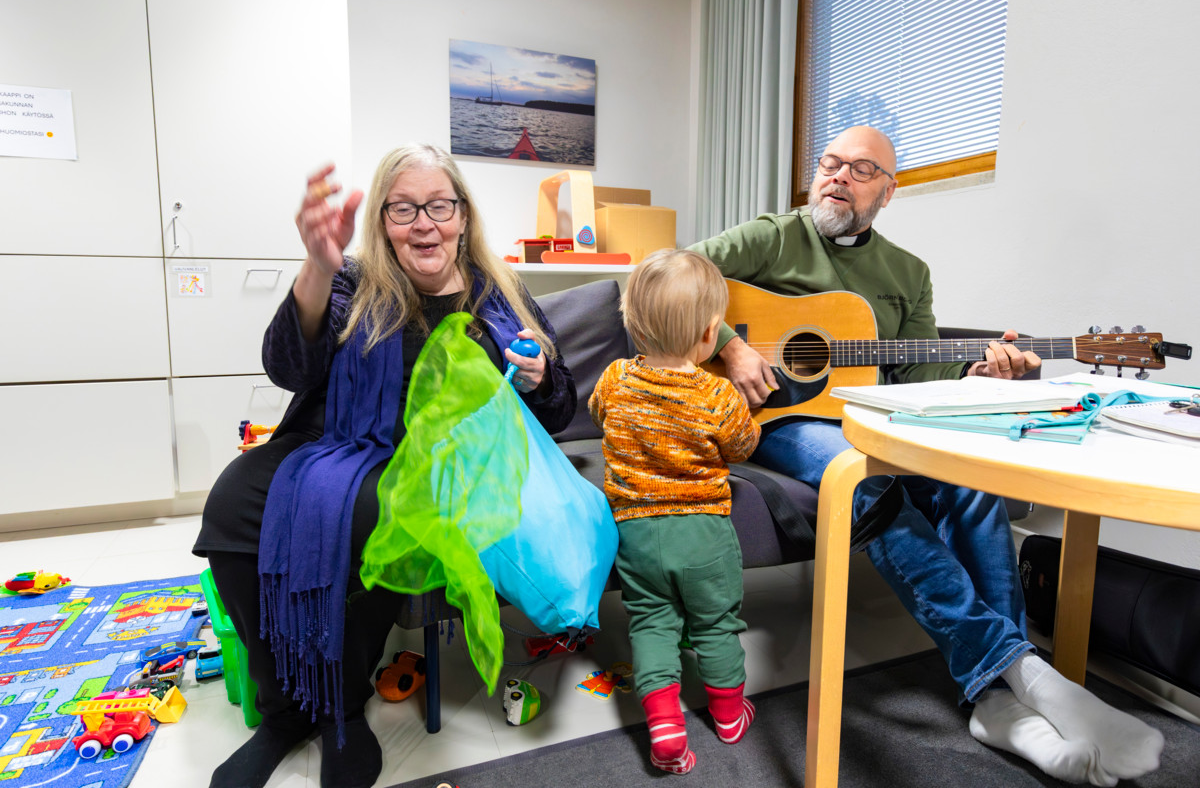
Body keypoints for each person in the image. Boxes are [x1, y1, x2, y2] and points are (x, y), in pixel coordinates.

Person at [689, 126, 1163, 786]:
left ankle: (995, 703)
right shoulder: (771, 237)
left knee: (968, 480)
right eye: (830, 163)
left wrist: (978, 377)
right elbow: (664, 275)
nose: (836, 177)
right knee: (863, 481)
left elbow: (916, 382)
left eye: (859, 169)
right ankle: (1023, 674)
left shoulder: (907, 273)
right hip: (776, 419)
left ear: (889, 189)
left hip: (863, 413)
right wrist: (732, 348)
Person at [193, 143, 576, 788]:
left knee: (371, 509)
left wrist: (539, 378)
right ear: (383, 221)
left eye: (438, 206)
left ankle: (341, 706)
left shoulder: (500, 294)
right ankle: (287, 708)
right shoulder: (351, 281)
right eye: (403, 209)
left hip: (434, 463)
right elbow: (289, 367)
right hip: (330, 441)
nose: (423, 223)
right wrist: (316, 266)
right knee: (232, 499)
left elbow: (560, 408)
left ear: (462, 214)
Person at [589, 250, 761, 775]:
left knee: (651, 625)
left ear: (632, 325)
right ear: (711, 335)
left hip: (636, 534)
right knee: (715, 625)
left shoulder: (616, 379)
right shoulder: (718, 394)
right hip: (704, 532)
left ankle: (664, 724)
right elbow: (743, 447)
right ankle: (729, 715)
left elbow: (598, 412)